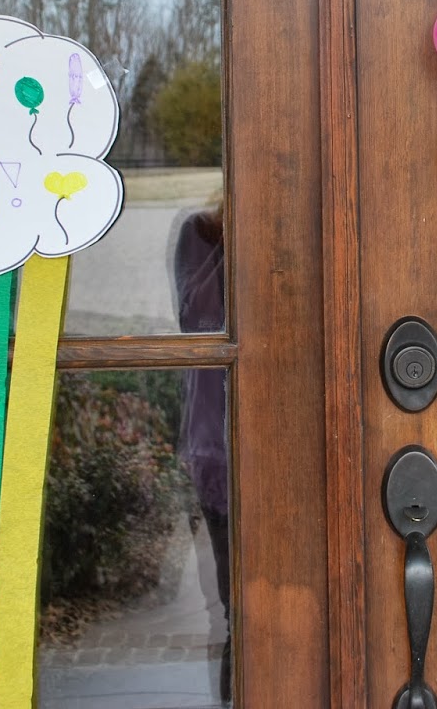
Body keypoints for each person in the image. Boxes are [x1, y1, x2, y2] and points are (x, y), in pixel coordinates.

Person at [172, 204, 231, 704]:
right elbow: (196, 315)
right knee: (234, 610)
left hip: (289, 444)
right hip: (217, 450)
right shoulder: (201, 233)